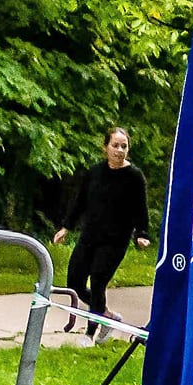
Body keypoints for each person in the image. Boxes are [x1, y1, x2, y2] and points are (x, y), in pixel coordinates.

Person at [53, 126, 150, 332]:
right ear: (105, 147)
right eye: (115, 145)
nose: (119, 150)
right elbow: (80, 202)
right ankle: (105, 314)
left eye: (124, 146)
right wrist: (66, 227)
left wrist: (141, 234)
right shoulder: (94, 173)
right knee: (75, 283)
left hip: (115, 241)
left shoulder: (134, 177)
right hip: (90, 237)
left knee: (98, 281)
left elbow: (140, 208)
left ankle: (91, 333)